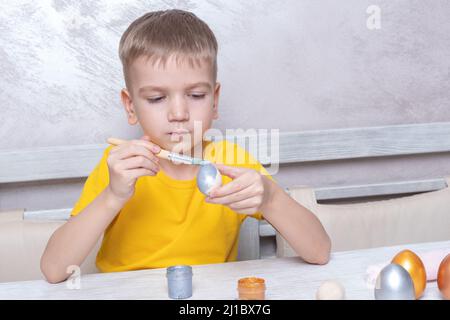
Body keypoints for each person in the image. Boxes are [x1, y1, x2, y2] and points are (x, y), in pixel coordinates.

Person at [41, 9, 330, 284]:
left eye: (195, 95)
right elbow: (54, 270)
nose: (178, 113)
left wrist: (270, 199)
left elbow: (319, 252)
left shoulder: (231, 161)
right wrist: (112, 196)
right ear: (131, 107)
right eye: (156, 98)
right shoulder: (119, 166)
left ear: (214, 100)